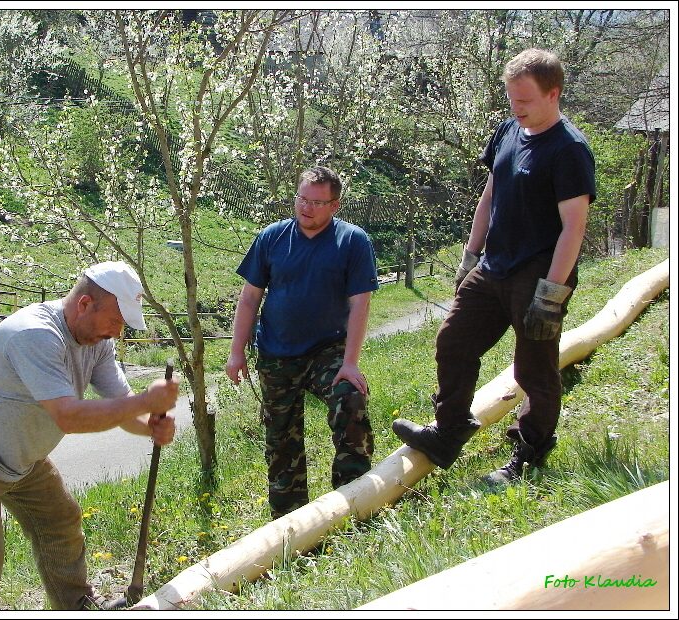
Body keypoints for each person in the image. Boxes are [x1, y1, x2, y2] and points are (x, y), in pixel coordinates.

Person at [0, 261, 180, 610]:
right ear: (85, 304)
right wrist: (146, 402)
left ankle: (77, 607)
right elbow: (69, 416)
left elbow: (122, 405)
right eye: (115, 321)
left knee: (60, 522)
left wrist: (151, 425)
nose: (117, 332)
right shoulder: (35, 334)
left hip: (21, 457)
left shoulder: (97, 342)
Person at [392, 48, 596, 486]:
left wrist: (551, 294)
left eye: (525, 100)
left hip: (538, 273)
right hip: (493, 265)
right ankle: (449, 430)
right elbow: (489, 196)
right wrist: (470, 255)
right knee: (453, 342)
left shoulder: (569, 150)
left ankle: (530, 451)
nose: (516, 108)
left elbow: (574, 227)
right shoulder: (508, 130)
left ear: (553, 94)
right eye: (511, 99)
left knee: (533, 369)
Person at [226, 165, 379, 519]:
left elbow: (360, 304)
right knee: (281, 439)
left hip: (328, 350)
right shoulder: (272, 237)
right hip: (276, 355)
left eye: (317, 202)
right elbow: (249, 298)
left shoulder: (352, 241)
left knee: (350, 399)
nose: (306, 208)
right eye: (302, 199)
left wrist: (350, 362)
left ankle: (354, 500)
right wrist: (236, 352)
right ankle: (289, 521)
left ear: (335, 206)